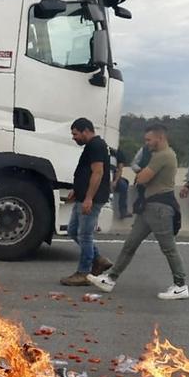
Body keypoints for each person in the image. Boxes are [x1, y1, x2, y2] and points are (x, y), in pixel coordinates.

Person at [90, 126, 189, 300]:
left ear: (160, 138)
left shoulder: (163, 156)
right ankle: (110, 278)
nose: (146, 143)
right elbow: (141, 178)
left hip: (160, 208)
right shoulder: (160, 155)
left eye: (149, 140)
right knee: (130, 244)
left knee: (169, 248)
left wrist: (142, 174)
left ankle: (181, 285)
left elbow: (142, 178)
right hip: (149, 207)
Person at [60, 118, 113, 286]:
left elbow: (98, 172)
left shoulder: (96, 146)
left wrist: (89, 198)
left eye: (75, 134)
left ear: (85, 131)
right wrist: (78, 190)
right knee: (73, 230)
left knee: (84, 234)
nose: (74, 137)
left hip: (92, 198)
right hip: (83, 196)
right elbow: (86, 172)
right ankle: (98, 259)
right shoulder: (92, 146)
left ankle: (84, 272)